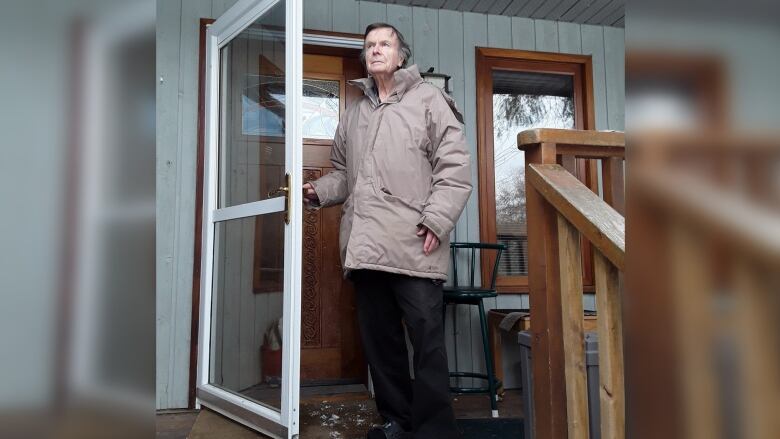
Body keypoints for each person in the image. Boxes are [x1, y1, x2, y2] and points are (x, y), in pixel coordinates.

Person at [302, 22, 471, 439]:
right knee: (381, 346)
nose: (376, 50)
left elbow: (455, 170)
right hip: (365, 245)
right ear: (365, 57)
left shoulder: (429, 100)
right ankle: (398, 421)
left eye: (385, 44)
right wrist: (318, 190)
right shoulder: (355, 112)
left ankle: (435, 432)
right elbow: (344, 173)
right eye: (370, 45)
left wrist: (436, 219)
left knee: (427, 345)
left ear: (400, 55)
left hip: (415, 242)